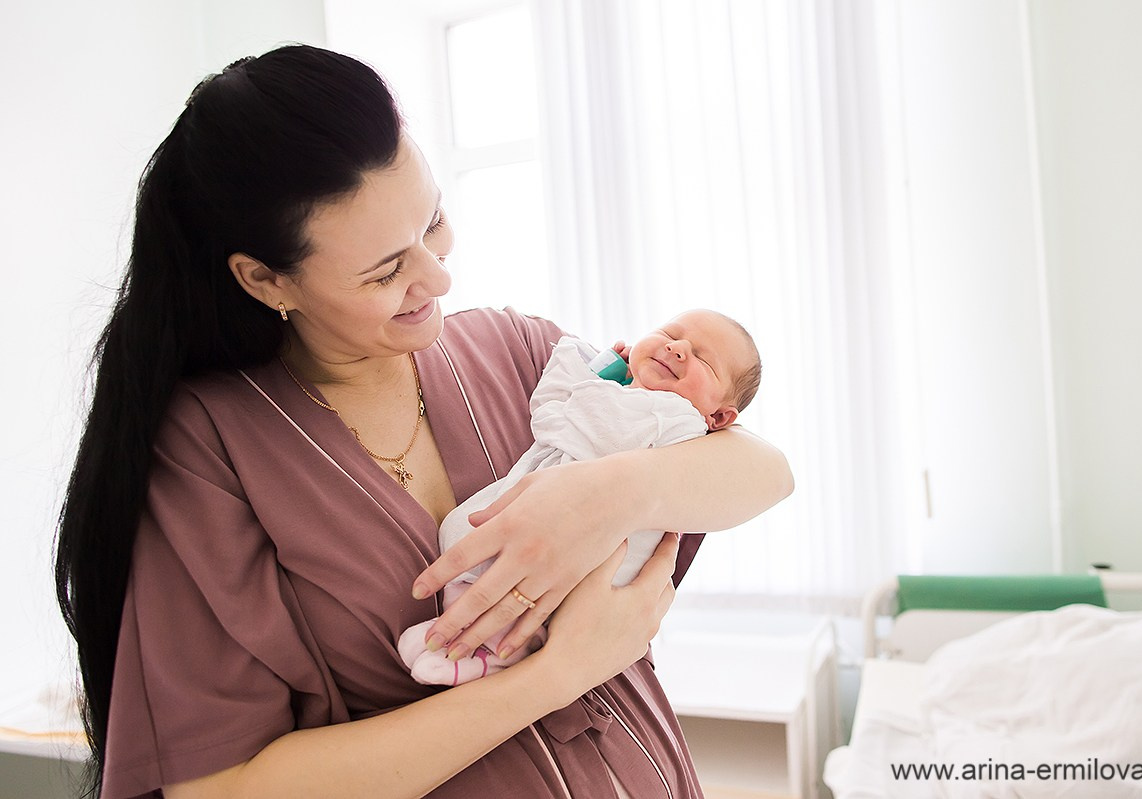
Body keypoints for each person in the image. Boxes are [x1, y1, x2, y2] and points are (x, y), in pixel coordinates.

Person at [53, 45, 792, 799]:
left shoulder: (517, 350)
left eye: (432, 221)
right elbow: (220, 786)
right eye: (384, 271)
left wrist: (611, 493)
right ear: (266, 279)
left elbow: (764, 471)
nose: (439, 277)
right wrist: (559, 671)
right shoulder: (210, 447)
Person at [399, 309, 762, 685]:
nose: (678, 348)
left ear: (718, 418)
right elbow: (552, 407)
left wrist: (603, 377)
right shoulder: (619, 400)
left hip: (606, 556)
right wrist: (611, 374)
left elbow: (566, 418)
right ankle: (454, 629)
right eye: (669, 332)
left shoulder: (681, 422)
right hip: (551, 512)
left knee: (529, 570)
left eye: (703, 358)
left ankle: (497, 653)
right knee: (464, 529)